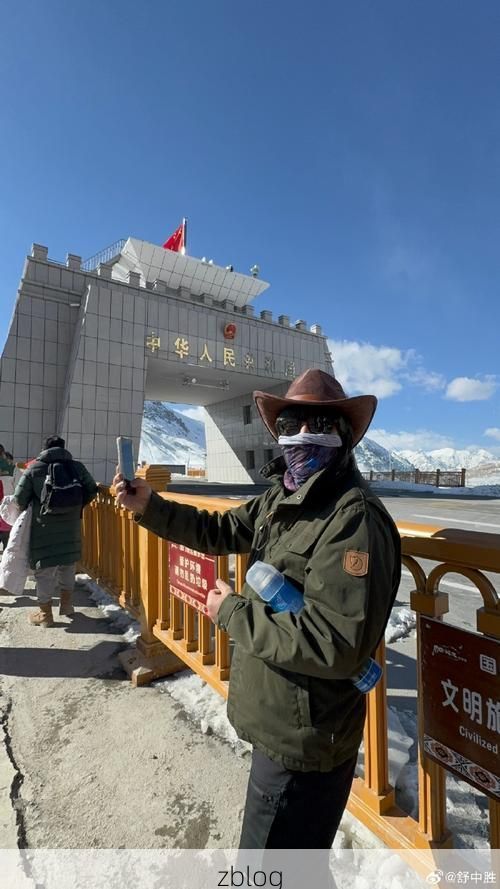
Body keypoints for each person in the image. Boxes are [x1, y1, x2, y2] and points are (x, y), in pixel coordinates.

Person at [114, 368, 401, 851]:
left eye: (317, 424)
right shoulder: (280, 497)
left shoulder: (354, 521)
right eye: (289, 424)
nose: (300, 435)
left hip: (305, 742)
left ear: (342, 436)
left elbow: (335, 644)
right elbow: (221, 532)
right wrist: (151, 506)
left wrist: (232, 612)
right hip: (278, 722)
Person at [14, 435, 98, 627]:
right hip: (71, 527)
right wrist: (76, 506)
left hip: (43, 528)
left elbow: (19, 499)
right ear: (63, 448)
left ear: (44, 449)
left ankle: (45, 615)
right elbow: (92, 489)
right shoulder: (77, 467)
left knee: (44, 571)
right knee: (67, 565)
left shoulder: (34, 468)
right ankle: (67, 606)